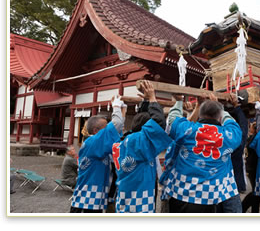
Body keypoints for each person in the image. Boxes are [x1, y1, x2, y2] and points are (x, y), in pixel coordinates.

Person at [160, 93, 242, 213]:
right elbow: (233, 124)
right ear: (219, 116)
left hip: (181, 193)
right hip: (211, 196)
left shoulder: (187, 130)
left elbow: (173, 118)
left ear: (200, 114)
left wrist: (179, 101)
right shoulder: (228, 136)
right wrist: (220, 108)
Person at [111, 80, 172, 213]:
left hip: (124, 198)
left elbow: (145, 122)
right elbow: (158, 123)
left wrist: (145, 101)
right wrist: (152, 99)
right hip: (139, 205)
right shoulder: (138, 141)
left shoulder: (123, 141)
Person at [70, 95, 126, 213]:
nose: (108, 130)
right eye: (105, 128)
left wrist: (123, 109)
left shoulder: (99, 145)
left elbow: (117, 133)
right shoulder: (92, 142)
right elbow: (116, 124)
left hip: (95, 200)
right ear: (96, 131)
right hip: (86, 201)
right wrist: (116, 106)